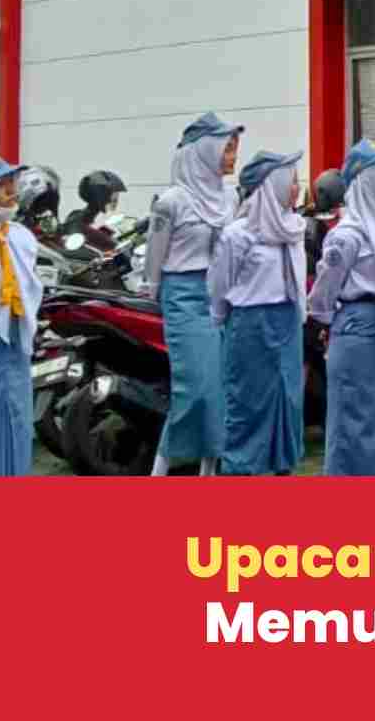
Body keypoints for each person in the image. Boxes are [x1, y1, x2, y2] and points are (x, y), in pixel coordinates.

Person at [308, 141, 375, 475]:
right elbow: (323, 296)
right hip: (360, 331)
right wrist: (329, 326)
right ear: (368, 182)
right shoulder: (348, 235)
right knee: (358, 431)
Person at [147, 112, 243, 476]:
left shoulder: (229, 198)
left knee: (219, 389)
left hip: (221, 294)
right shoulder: (171, 201)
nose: (233, 157)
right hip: (183, 295)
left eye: (234, 149)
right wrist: (153, 292)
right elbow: (155, 256)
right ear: (204, 152)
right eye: (227, 149)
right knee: (195, 387)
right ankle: (162, 468)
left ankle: (210, 471)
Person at [208, 150, 307, 475]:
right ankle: (240, 470)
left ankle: (282, 466)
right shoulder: (238, 234)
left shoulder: (293, 228)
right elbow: (220, 284)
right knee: (249, 401)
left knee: (288, 398)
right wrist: (223, 319)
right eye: (291, 182)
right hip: (250, 324)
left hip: (288, 321)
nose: (296, 188)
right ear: (272, 186)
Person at [0, 151, 43, 476]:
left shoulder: (19, 236)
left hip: (14, 340)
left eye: (11, 183)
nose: (11, 192)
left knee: (16, 415)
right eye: (2, 186)